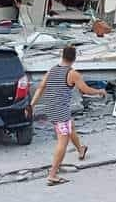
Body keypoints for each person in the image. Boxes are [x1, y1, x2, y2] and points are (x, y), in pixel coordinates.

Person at [27, 45, 106, 185]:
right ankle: (52, 174)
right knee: (62, 142)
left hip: (51, 109)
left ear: (62, 55)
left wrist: (32, 105)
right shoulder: (72, 73)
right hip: (60, 112)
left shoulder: (52, 70)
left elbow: (40, 88)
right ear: (74, 58)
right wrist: (100, 91)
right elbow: (85, 90)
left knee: (71, 128)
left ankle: (80, 149)